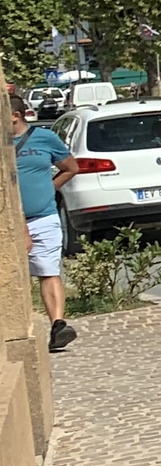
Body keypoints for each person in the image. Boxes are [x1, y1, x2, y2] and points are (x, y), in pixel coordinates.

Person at [13, 88, 76, 353]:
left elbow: (70, 168)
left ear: (14, 116)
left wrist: (47, 189)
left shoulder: (45, 138)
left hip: (44, 217)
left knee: (48, 271)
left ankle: (58, 324)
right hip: (11, 224)